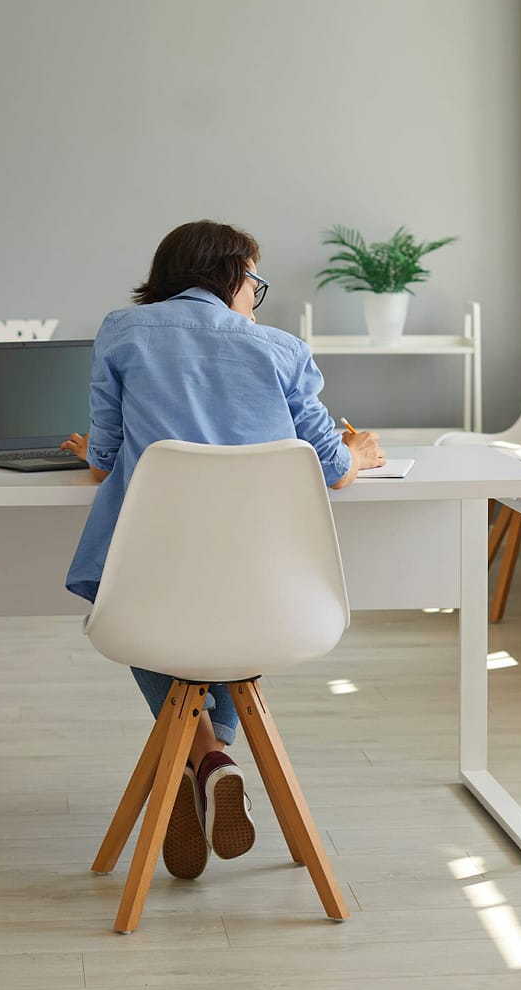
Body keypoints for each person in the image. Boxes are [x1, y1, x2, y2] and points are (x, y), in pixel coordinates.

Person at [62, 220, 384, 881]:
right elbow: (329, 469)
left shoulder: (121, 331)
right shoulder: (283, 350)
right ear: (234, 275)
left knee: (145, 605)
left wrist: (96, 454)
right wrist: (356, 454)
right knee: (229, 622)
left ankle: (198, 756)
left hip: (149, 586)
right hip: (269, 593)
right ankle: (213, 760)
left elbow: (101, 460)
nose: (252, 298)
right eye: (254, 283)